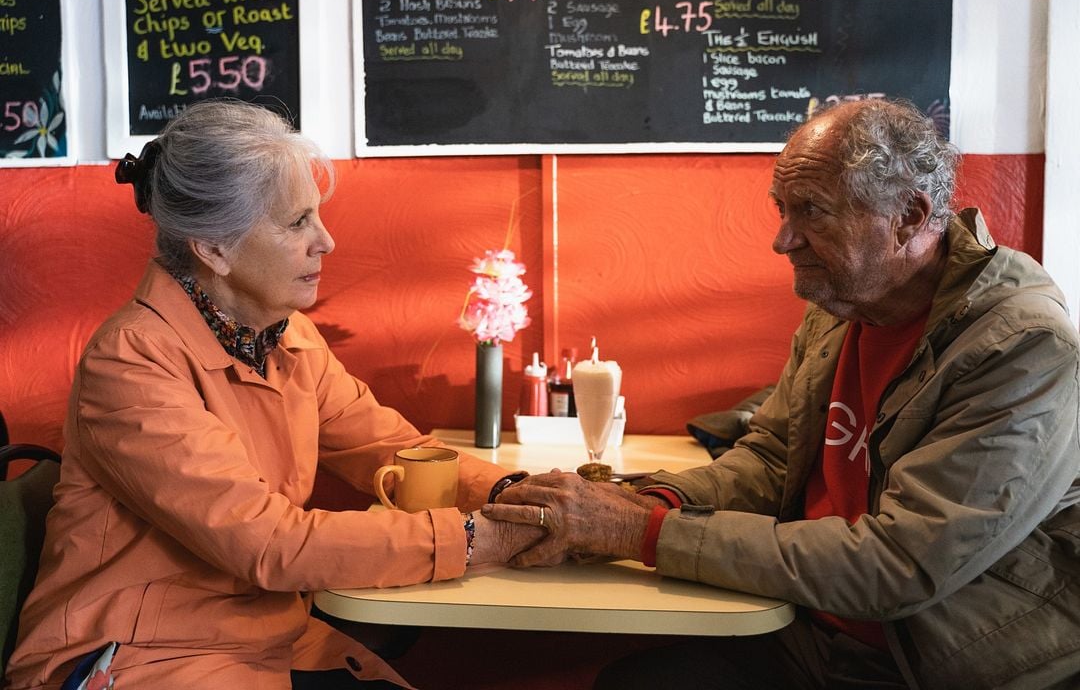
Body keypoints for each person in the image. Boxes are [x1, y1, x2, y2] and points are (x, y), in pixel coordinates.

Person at [485, 98, 1080, 690]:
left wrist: (637, 530)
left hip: (932, 659)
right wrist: (650, 499)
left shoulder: (1021, 345)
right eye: (783, 210)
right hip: (813, 624)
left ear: (907, 215)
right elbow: (772, 457)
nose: (783, 240)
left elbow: (901, 564)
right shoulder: (844, 301)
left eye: (812, 212)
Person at [3, 99, 542, 690]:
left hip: (267, 639)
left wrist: (518, 495)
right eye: (296, 223)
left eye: (317, 215)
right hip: (134, 657)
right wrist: (485, 539)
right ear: (213, 248)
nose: (327, 241)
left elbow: (390, 449)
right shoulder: (130, 359)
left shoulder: (283, 332)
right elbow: (268, 541)